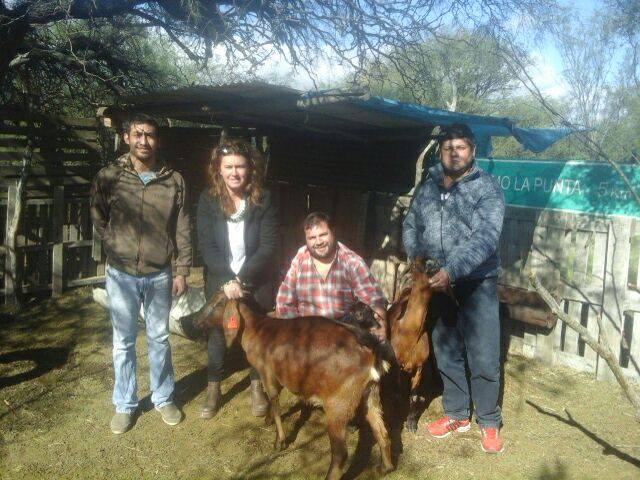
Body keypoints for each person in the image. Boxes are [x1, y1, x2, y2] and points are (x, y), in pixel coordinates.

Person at [402, 123, 506, 453]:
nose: (453, 153)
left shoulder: (487, 187)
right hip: (436, 284)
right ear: (440, 152)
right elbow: (410, 223)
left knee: (484, 356)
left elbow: (486, 238)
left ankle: (489, 421)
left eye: (459, 147)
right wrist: (416, 258)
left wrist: (452, 270)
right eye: (447, 148)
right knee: (446, 352)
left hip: (477, 284)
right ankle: (458, 414)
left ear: (472, 150)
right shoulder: (430, 183)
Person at [91, 113, 192, 434]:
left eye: (150, 135)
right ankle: (125, 404)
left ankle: (163, 397)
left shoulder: (173, 180)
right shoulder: (109, 176)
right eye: (138, 135)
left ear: (156, 140)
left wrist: (182, 269)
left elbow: (183, 227)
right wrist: (113, 243)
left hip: (160, 273)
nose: (144, 141)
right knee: (123, 342)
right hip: (121, 273)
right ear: (126, 137)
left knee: (160, 338)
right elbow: (98, 215)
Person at [197, 138, 278, 419]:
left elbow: (268, 245)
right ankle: (213, 387)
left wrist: (241, 279)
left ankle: (257, 386)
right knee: (218, 334)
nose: (234, 172)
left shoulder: (263, 199)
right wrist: (227, 280)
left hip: (255, 280)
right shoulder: (208, 200)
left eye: (240, 166)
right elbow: (207, 246)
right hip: (221, 280)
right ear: (218, 169)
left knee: (256, 335)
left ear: (250, 169)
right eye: (228, 166)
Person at [276, 211, 387, 341]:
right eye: (312, 238)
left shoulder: (351, 261)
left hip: (342, 334)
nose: (318, 242)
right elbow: (284, 302)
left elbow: (374, 300)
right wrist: (295, 333)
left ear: (333, 232)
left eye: (323, 235)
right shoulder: (300, 258)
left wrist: (380, 327)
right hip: (306, 332)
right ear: (306, 239)